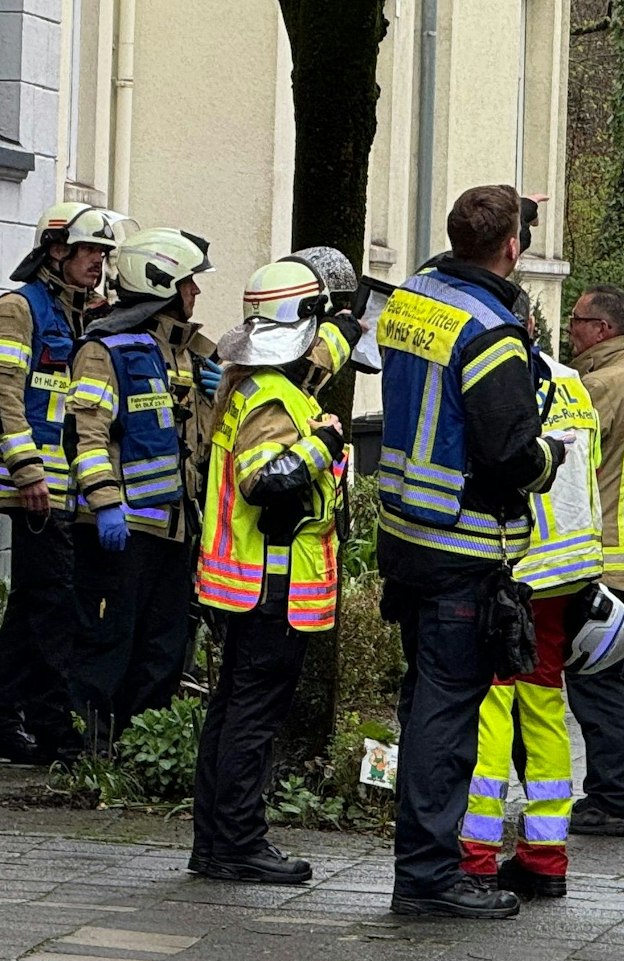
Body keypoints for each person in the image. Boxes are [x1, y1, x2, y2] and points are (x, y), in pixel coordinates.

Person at [376, 184, 565, 920]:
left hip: (405, 535)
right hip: (461, 543)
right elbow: (509, 454)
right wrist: (551, 453)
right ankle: (428, 877)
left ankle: (421, 868)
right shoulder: (490, 330)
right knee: (446, 719)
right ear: (512, 246)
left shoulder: (414, 297)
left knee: (426, 702)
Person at [190, 259, 362, 884]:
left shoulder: (251, 379)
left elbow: (321, 355)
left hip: (242, 583)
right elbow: (263, 481)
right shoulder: (275, 399)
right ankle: (239, 843)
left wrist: (348, 315)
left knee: (231, 710)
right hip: (274, 586)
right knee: (253, 719)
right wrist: (324, 445)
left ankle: (214, 843)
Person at [67, 227, 218, 743]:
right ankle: (91, 750)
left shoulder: (186, 352)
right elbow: (87, 433)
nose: (196, 293)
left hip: (174, 530)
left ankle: (138, 746)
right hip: (122, 530)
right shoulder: (105, 350)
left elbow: (197, 440)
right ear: (161, 283)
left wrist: (217, 395)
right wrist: (105, 503)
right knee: (108, 642)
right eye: (189, 283)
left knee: (164, 648)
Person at [461, 355, 604, 898]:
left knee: (491, 707)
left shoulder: (502, 379)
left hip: (517, 568)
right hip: (570, 568)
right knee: (545, 707)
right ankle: (545, 856)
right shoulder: (571, 383)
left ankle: (475, 855)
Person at [0, 204, 126, 763]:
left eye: (103, 254)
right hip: (33, 486)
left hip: (64, 490)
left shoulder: (82, 316)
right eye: (89, 252)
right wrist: (27, 471)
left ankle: (9, 716)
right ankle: (48, 725)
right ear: (57, 250)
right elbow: (5, 396)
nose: (98, 262)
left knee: (36, 604)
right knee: (48, 603)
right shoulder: (20, 309)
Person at [563, 284, 624, 834]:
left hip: (601, 556)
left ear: (601, 329)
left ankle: (613, 800)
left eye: (577, 319)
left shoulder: (599, 385)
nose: (570, 328)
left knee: (598, 685)